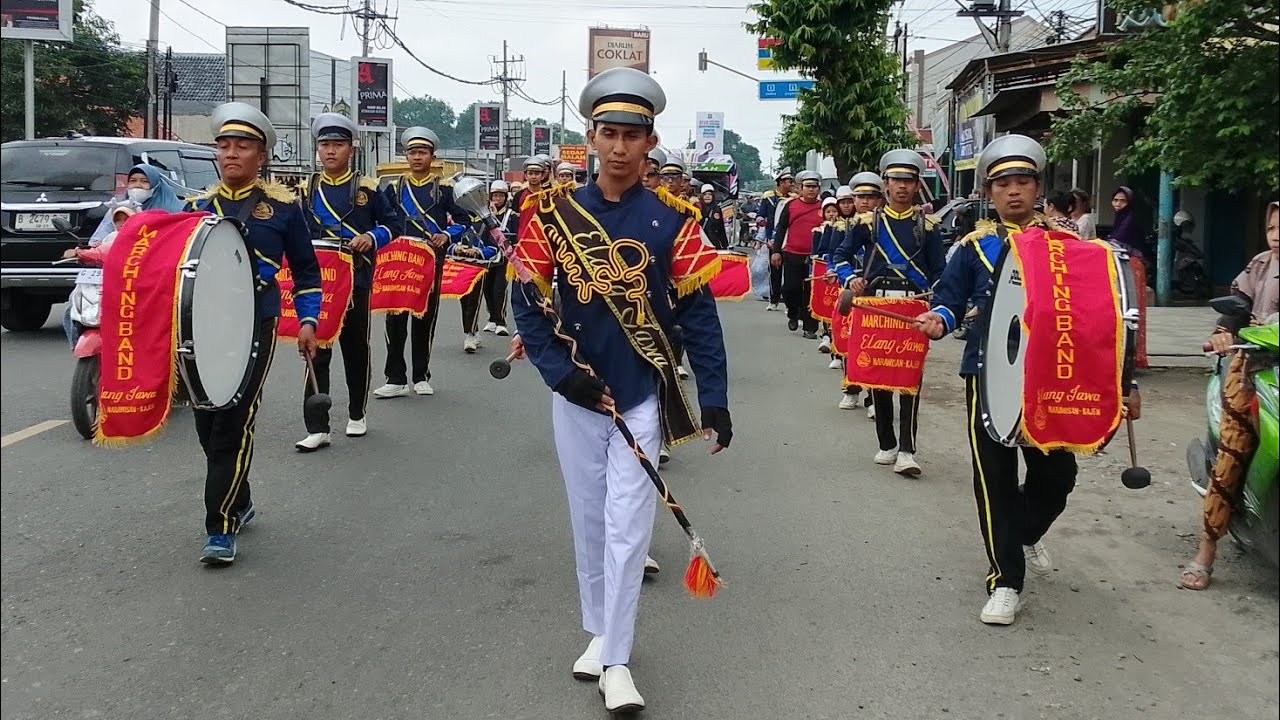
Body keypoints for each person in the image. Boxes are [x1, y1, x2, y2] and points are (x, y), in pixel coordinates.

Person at [509, 67, 731, 713]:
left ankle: (617, 661)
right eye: (608, 133)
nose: (619, 147)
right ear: (591, 137)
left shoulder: (674, 219)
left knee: (629, 526)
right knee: (588, 522)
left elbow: (699, 317)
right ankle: (600, 630)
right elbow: (527, 303)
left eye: (632, 135)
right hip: (578, 394)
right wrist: (561, 374)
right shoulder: (548, 215)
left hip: (640, 393)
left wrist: (713, 395)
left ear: (650, 140)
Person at [915, 134, 1078, 625]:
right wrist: (940, 319)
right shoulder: (973, 247)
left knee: (1057, 476)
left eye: (1023, 181)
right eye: (1003, 183)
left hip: (1050, 378)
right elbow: (948, 296)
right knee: (995, 478)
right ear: (989, 191)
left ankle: (1024, 533)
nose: (1013, 192)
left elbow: (1096, 315)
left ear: (1038, 187)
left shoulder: (1067, 247)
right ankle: (1005, 580)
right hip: (987, 373)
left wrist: (1122, 383)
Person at [185, 102, 322, 564]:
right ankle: (239, 501)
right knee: (207, 422)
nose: (231, 154)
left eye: (242, 146)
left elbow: (306, 272)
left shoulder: (284, 208)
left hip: (256, 325)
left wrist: (307, 320)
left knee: (234, 420)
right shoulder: (195, 207)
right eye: (223, 146)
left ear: (261, 155)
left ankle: (220, 526)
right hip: (204, 329)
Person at [1179, 201, 1279, 590]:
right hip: (1254, 368)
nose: (1277, 236)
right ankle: (1206, 549)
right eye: (1272, 227)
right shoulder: (1259, 266)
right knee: (1233, 451)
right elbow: (1234, 312)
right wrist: (1224, 333)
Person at [832, 151, 944, 476]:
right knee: (879, 377)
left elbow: (939, 270)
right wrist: (849, 277)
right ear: (886, 183)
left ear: (917, 185)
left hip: (913, 307)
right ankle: (886, 442)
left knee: (910, 379)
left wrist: (938, 295)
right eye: (896, 180)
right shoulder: (869, 223)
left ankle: (908, 450)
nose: (902, 187)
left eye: (909, 180)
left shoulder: (928, 226)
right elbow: (840, 255)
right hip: (876, 306)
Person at [294, 114, 401, 452]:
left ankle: (357, 412)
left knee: (355, 348)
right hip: (318, 279)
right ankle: (318, 425)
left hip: (355, 278)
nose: (330, 151)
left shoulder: (368, 189)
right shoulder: (306, 188)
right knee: (317, 349)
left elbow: (394, 223)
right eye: (324, 145)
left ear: (350, 150)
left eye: (337, 145)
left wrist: (372, 236)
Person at [374, 126, 463, 400]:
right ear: (406, 156)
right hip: (397, 261)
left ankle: (421, 375)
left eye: (422, 152)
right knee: (395, 318)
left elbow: (464, 221)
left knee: (424, 317)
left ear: (432, 156)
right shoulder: (393, 188)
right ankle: (395, 377)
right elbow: (383, 220)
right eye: (412, 152)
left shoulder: (444, 189)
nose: (416, 157)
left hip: (427, 259)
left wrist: (446, 234)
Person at [837, 172, 885, 412]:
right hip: (858, 291)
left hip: (881, 289)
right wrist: (850, 278)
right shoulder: (852, 226)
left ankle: (875, 398)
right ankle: (852, 388)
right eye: (860, 197)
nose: (865, 202)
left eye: (871, 197)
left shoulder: (884, 222)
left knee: (882, 349)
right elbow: (838, 256)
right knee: (855, 343)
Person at [771, 169, 824, 338]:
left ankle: (810, 328)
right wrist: (776, 251)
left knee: (811, 293)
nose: (811, 190)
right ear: (800, 188)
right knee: (790, 289)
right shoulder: (791, 205)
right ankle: (793, 313)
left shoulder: (824, 207)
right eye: (808, 186)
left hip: (815, 258)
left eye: (814, 186)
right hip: (792, 254)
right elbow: (781, 229)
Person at [479, 180, 517, 336]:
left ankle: (501, 320)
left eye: (501, 196)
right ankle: (492, 318)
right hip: (487, 255)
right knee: (487, 288)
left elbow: (515, 233)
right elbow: (480, 232)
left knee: (499, 288)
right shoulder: (484, 213)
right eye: (495, 195)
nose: (498, 199)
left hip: (504, 256)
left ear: (506, 197)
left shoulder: (512, 214)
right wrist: (490, 215)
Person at [759, 168, 795, 310]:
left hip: (789, 238)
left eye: (791, 181)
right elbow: (761, 215)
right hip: (772, 239)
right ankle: (773, 300)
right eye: (788, 181)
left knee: (790, 273)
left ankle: (789, 304)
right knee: (775, 270)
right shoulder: (768, 197)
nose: (791, 184)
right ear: (780, 182)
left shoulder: (793, 199)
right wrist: (763, 227)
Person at [698, 183, 729, 250]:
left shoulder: (716, 209)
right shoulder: (697, 207)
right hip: (700, 241)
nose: (707, 196)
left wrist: (724, 244)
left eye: (710, 194)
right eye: (705, 194)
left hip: (713, 241)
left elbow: (721, 227)